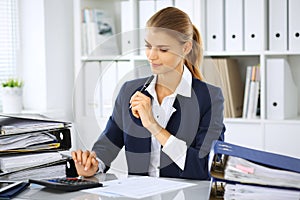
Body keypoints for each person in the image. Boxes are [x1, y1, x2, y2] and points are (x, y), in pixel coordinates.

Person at [72, 7, 225, 180]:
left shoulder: (209, 97)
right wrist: (93, 165)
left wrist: (154, 125)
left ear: (186, 48)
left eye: (163, 49)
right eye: (148, 46)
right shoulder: (129, 91)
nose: (151, 56)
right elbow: (107, 146)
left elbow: (206, 167)